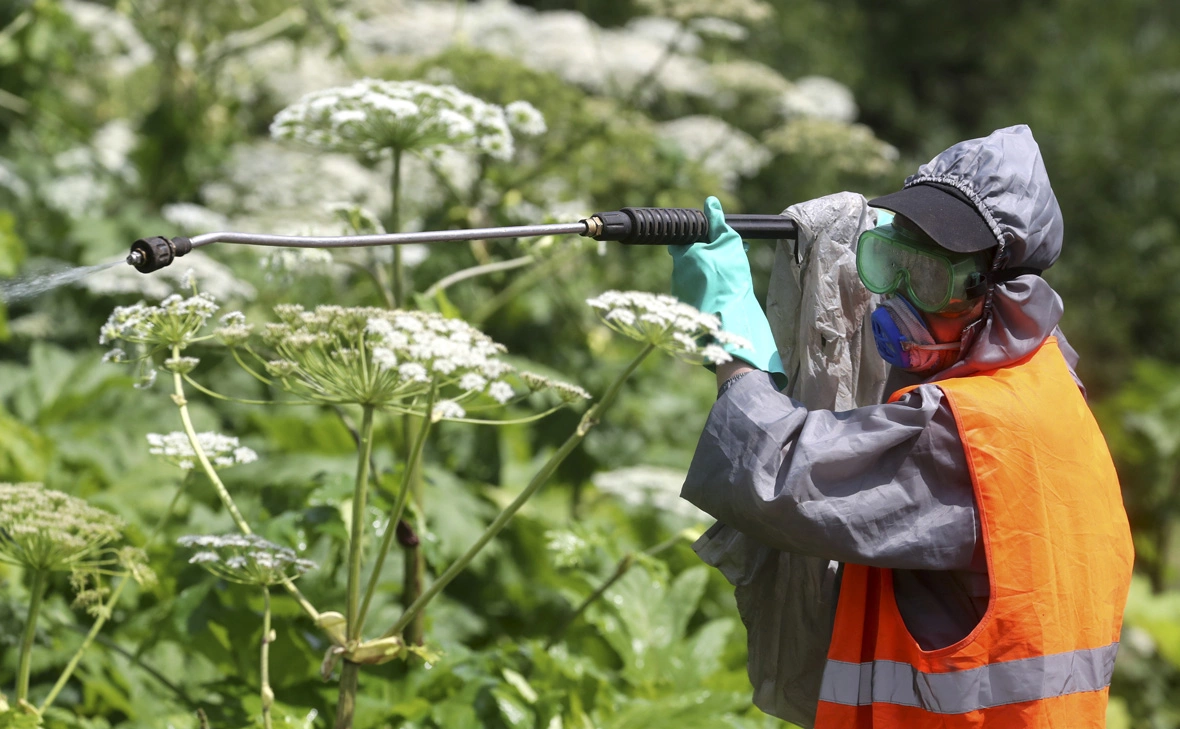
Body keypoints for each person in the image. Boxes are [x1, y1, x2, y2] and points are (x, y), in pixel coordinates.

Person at [669, 125, 1134, 728]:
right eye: (889, 263)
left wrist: (734, 347)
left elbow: (778, 476)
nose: (900, 298)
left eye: (932, 281)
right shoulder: (1048, 390)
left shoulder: (969, 435)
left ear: (1002, 296)